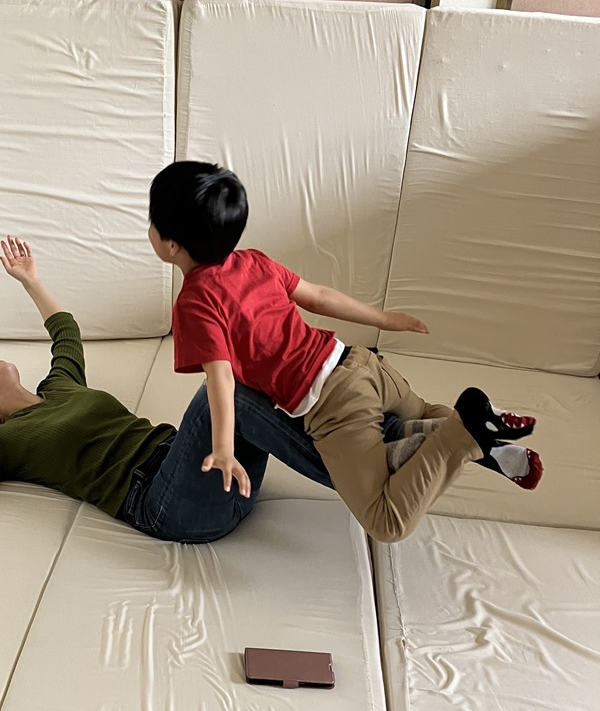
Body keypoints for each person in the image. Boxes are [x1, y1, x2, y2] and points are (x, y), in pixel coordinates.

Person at [148, 161, 543, 543]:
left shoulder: (196, 301)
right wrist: (384, 319)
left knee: (387, 520)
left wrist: (222, 448)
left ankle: (464, 431)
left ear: (172, 245)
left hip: (336, 404)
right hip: (362, 363)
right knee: (424, 414)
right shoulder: (253, 261)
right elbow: (319, 296)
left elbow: (221, 378)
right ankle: (484, 436)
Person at [0, 235, 369, 542]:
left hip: (214, 477)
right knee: (220, 390)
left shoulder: (59, 385)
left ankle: (376, 447)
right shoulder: (11, 440)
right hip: (166, 504)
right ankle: (368, 481)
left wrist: (30, 280)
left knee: (247, 373)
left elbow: (66, 332)